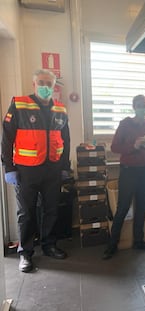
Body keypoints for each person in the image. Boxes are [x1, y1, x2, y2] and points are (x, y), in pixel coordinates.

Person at [1, 69, 71, 273]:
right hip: (26, 170)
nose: (45, 87)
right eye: (41, 82)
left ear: (54, 86)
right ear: (34, 84)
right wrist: (9, 168)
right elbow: (6, 139)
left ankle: (49, 245)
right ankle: (26, 253)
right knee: (27, 213)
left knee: (52, 209)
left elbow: (66, 140)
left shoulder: (60, 109)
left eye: (49, 84)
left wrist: (65, 167)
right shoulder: (20, 104)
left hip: (53, 169)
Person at [103, 94, 145, 260]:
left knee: (142, 207)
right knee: (122, 208)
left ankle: (139, 241)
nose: (142, 108)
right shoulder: (125, 124)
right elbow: (114, 147)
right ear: (134, 107)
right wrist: (133, 145)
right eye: (139, 105)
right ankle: (112, 245)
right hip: (129, 171)